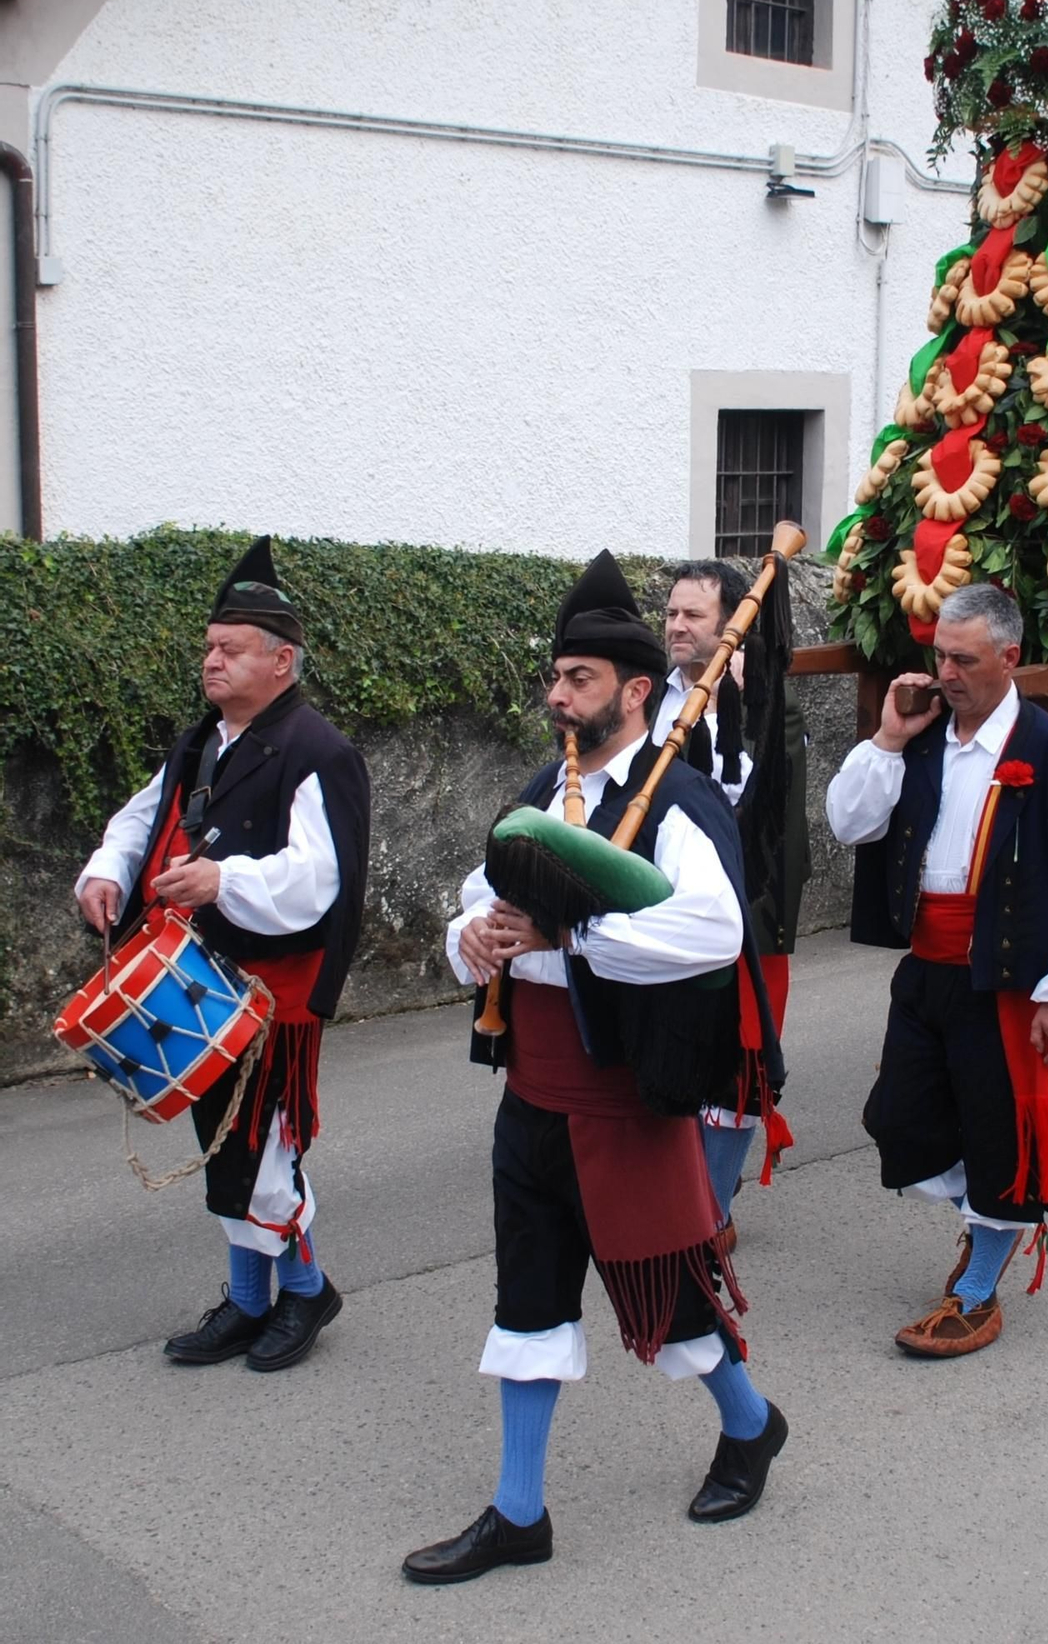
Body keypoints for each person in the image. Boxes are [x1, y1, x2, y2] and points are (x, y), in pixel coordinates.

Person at [405, 552, 786, 1584]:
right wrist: (472, 941)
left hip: (622, 1102)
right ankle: (516, 1511)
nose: (556, 696)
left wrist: (565, 940)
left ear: (637, 692)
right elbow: (481, 899)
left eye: (578, 680)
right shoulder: (543, 789)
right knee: (527, 1303)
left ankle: (750, 1426)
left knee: (666, 1307)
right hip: (532, 1096)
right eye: (555, 677)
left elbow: (710, 933)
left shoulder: (681, 802)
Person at [76, 537, 369, 1373]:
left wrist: (221, 879)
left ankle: (304, 1290)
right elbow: (142, 815)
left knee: (265, 1151)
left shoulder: (320, 753)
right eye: (208, 646)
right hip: (201, 980)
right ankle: (248, 1301)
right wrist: (107, 869)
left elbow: (319, 880)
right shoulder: (202, 739)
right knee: (226, 1145)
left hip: (271, 992)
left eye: (228, 648)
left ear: (282, 660)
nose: (211, 660)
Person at [825, 585, 1048, 1358]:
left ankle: (979, 1282)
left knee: (1001, 1132)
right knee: (900, 1119)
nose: (945, 672)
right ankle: (984, 1223)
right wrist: (888, 736)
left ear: (1010, 657)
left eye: (963, 658)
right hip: (927, 967)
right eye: (940, 655)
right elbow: (850, 820)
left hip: (1006, 976)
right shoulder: (920, 735)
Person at [660, 560, 809, 1243]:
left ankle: (710, 1211)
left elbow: (753, 811)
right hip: (660, 911)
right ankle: (677, 1192)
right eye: (671, 613)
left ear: (730, 630)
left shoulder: (768, 708)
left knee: (738, 1067)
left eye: (694, 616)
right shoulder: (646, 696)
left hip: (747, 913)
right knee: (670, 1058)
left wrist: (739, 716)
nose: (677, 626)